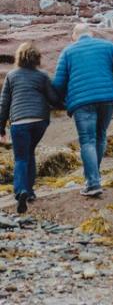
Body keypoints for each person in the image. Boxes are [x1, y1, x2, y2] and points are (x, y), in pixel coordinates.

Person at [52, 23, 113, 197]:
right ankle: (93, 178)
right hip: (106, 99)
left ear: (74, 36)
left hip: (81, 102)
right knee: (100, 136)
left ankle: (93, 182)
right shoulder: (108, 46)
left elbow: (58, 83)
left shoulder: (68, 52)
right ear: (92, 34)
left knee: (87, 140)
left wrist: (59, 102)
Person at [0, 43, 62, 214]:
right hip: (40, 121)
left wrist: (1, 127)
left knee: (21, 158)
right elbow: (53, 99)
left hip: (20, 122)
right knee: (30, 152)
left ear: (19, 57)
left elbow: (4, 103)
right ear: (37, 58)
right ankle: (30, 191)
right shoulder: (42, 76)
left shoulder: (11, 76)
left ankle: (21, 191)